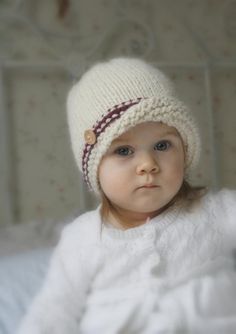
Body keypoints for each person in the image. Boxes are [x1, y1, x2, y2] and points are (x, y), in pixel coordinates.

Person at [18, 58, 236, 333]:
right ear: (95, 170)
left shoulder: (214, 212)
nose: (148, 163)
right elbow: (52, 315)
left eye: (162, 145)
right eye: (123, 151)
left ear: (185, 150)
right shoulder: (83, 238)